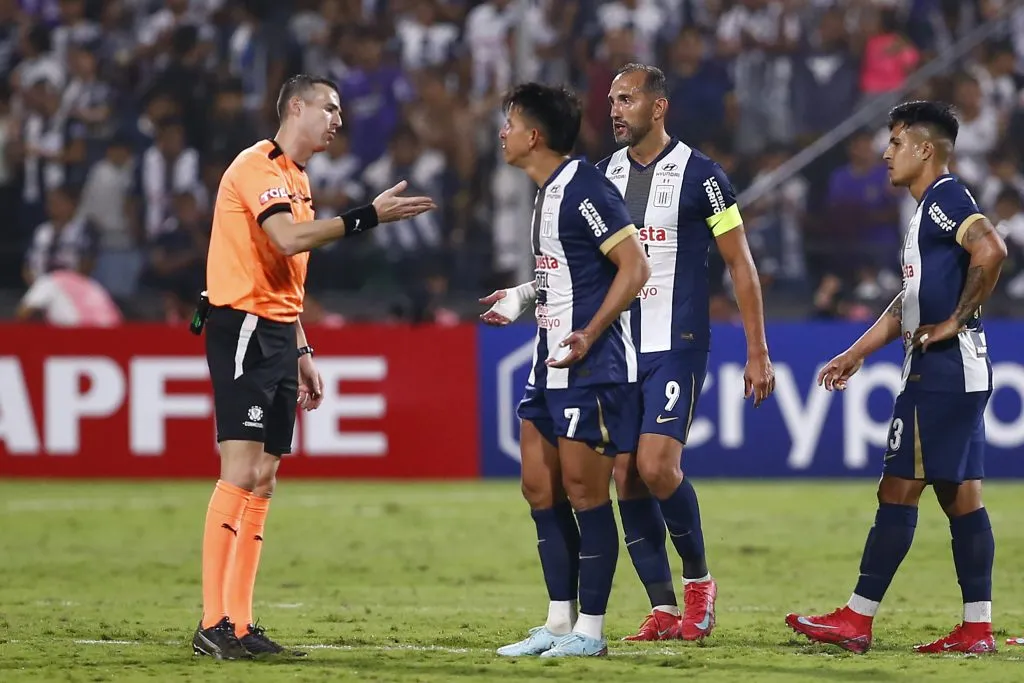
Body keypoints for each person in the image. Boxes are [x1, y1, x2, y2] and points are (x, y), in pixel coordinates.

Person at [482, 64, 775, 641]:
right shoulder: (600, 176)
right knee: (624, 475)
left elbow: (739, 263)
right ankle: (662, 608)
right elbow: (577, 267)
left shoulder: (704, 176)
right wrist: (523, 295)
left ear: (658, 107)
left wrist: (757, 350)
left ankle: (699, 582)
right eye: (612, 100)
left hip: (675, 343)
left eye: (627, 99)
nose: (614, 110)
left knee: (655, 466)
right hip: (617, 349)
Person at [192, 74, 435, 660]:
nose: (338, 120)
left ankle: (240, 624)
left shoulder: (298, 179)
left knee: (264, 477)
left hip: (278, 331)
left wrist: (302, 350)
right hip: (244, 326)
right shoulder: (257, 166)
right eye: (329, 108)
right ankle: (212, 623)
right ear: (295, 107)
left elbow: (285, 274)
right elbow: (285, 240)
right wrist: (366, 217)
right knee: (239, 470)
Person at [786, 101, 1007, 655]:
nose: (886, 153)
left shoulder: (946, 198)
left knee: (898, 489)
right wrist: (856, 352)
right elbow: (909, 301)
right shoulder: (928, 209)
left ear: (925, 149)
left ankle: (856, 619)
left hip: (942, 372)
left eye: (896, 142)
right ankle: (977, 628)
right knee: (960, 497)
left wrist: (954, 321)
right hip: (958, 371)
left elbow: (992, 247)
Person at [492, 82, 650, 658]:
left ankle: (591, 630)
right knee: (540, 488)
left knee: (586, 493)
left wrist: (590, 331)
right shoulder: (547, 192)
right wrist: (522, 296)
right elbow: (568, 272)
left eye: (510, 124)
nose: (503, 133)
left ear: (534, 136)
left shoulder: (586, 187)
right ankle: (559, 621)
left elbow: (635, 268)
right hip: (548, 363)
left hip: (592, 366)